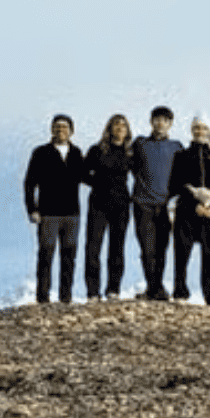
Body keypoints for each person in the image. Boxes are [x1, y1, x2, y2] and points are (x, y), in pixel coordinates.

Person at [22, 114, 87, 304]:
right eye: (57, 127)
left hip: (72, 214)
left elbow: (87, 177)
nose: (61, 130)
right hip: (48, 213)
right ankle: (43, 299)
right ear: (51, 130)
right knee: (46, 256)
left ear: (72, 131)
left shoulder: (77, 153)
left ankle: (65, 298)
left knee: (69, 257)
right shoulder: (40, 153)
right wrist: (31, 209)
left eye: (65, 127)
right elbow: (29, 183)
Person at [169, 117, 210, 304]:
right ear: (191, 130)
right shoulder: (181, 155)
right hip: (186, 211)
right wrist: (194, 204)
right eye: (196, 127)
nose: (200, 131)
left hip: (208, 214)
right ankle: (180, 293)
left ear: (209, 130)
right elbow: (175, 184)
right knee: (181, 253)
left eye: (204, 127)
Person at [130, 107, 184, 301]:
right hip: (142, 204)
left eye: (165, 120)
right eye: (157, 120)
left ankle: (154, 289)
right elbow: (132, 168)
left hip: (165, 205)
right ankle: (155, 289)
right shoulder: (140, 143)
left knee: (161, 249)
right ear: (151, 122)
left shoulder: (177, 146)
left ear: (170, 124)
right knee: (147, 248)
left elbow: (182, 175)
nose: (160, 123)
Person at [82, 113, 136, 300]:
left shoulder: (131, 153)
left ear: (127, 131)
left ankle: (113, 290)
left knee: (117, 248)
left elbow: (142, 176)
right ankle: (93, 292)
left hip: (121, 205)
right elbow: (82, 172)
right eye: (116, 124)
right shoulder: (97, 150)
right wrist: (96, 183)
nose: (120, 128)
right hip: (98, 203)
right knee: (93, 248)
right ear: (109, 128)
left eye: (123, 125)